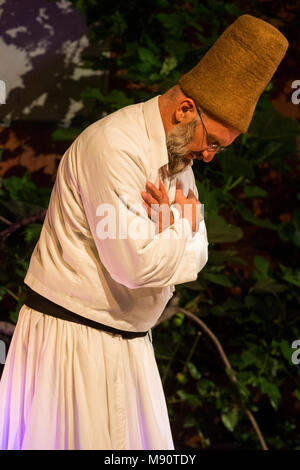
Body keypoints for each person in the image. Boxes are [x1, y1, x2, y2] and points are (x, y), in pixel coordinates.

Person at [0, 14, 288, 450]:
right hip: (73, 345)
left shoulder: (179, 158)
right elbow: (133, 265)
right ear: (185, 110)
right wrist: (183, 226)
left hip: (131, 347)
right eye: (212, 142)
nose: (209, 157)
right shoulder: (114, 146)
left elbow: (201, 252)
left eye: (219, 149)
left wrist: (177, 232)